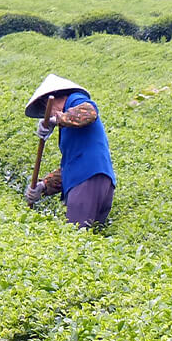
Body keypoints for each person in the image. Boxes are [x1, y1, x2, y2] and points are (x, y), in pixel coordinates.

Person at [24, 73, 115, 228]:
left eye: (47, 110)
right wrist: (44, 185)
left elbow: (89, 112)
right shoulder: (68, 128)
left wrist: (56, 119)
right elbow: (71, 165)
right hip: (94, 180)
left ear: (52, 99)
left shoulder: (75, 100)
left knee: (76, 237)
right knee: (91, 240)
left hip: (88, 180)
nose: (50, 114)